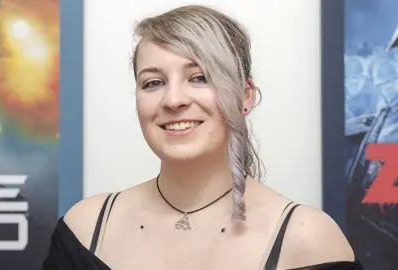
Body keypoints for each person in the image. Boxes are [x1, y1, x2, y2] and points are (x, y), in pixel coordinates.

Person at [42, 5, 363, 270]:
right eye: (153, 83)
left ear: (245, 96)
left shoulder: (307, 239)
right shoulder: (86, 228)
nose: (173, 100)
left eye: (199, 78)